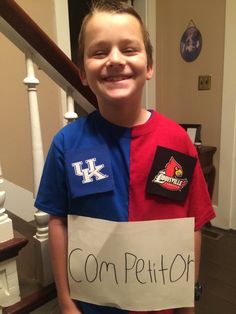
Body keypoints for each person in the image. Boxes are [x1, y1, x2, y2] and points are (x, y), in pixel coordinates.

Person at [35, 1, 215, 314]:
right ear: (82, 72)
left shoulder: (177, 143)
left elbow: (192, 224)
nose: (115, 60)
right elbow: (58, 221)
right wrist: (65, 301)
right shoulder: (67, 144)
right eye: (99, 52)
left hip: (161, 306)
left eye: (129, 49)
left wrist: (188, 300)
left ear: (149, 67)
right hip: (92, 306)